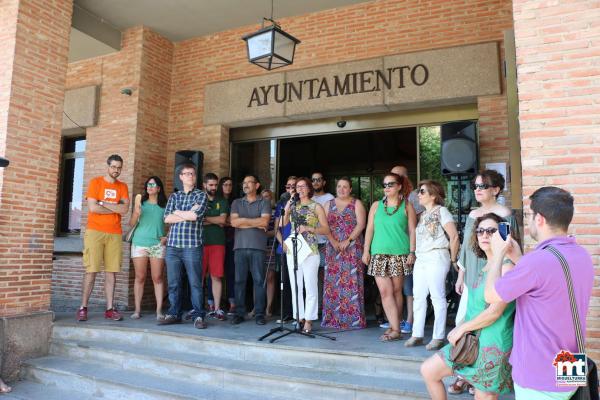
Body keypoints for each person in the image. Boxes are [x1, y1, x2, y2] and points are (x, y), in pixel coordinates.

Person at [484, 187, 593, 400]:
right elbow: (547, 284)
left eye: (529, 215)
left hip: (539, 375)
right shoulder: (581, 255)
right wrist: (519, 259)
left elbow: (491, 295)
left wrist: (497, 255)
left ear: (540, 219)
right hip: (570, 364)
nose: (529, 220)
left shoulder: (536, 262)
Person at [421, 213, 516, 400]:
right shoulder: (486, 266)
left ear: (503, 236)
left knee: (484, 395)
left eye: (491, 231)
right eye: (480, 231)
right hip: (471, 339)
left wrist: (461, 328)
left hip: (492, 343)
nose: (484, 235)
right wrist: (462, 327)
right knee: (429, 370)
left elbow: (494, 312)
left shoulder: (507, 267)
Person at [449, 169, 519, 395]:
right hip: (472, 277)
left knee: (488, 324)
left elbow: (508, 246)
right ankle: (464, 374)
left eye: (482, 186)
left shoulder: (505, 214)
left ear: (496, 190)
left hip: (495, 275)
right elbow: (467, 248)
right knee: (465, 322)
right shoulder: (472, 215)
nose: (477, 190)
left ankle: (478, 379)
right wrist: (461, 274)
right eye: (475, 186)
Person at [405, 180, 459, 350]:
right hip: (421, 258)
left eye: (422, 191)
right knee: (419, 296)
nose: (418, 194)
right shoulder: (422, 216)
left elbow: (454, 237)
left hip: (437, 255)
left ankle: (438, 336)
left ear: (433, 195)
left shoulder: (442, 211)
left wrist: (453, 259)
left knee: (437, 296)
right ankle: (417, 334)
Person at [362, 173, 416, 341]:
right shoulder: (376, 206)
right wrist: (366, 251)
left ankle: (395, 326)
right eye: (384, 184)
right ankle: (395, 328)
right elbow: (369, 229)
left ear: (399, 186)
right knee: (385, 292)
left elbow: (413, 230)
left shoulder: (407, 206)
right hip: (378, 253)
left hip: (400, 253)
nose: (386, 187)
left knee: (397, 291)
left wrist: (412, 252)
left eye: (391, 184)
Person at [77, 154, 129, 322]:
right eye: (113, 167)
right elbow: (93, 208)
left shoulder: (123, 186)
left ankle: (109, 309)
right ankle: (83, 307)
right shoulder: (96, 182)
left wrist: (103, 203)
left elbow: (124, 210)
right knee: (91, 270)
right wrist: (115, 207)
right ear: (107, 166)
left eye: (119, 167)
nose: (116, 170)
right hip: (94, 231)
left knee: (111, 272)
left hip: (114, 233)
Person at [160, 163, 208, 329]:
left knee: (195, 282)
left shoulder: (201, 195)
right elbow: (166, 218)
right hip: (173, 246)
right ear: (180, 177)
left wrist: (178, 212)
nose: (190, 176)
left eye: (193, 174)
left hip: (192, 246)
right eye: (187, 174)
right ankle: (174, 313)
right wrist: (185, 214)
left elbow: (195, 216)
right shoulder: (174, 197)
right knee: (173, 282)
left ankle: (198, 315)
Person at [283, 177, 331, 333]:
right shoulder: (293, 205)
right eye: (298, 186)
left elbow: (325, 229)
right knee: (295, 286)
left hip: (310, 250)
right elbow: (283, 223)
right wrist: (288, 206)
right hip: (294, 249)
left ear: (309, 189)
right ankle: (299, 318)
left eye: (303, 186)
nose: (300, 189)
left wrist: (309, 229)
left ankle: (309, 320)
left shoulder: (316, 206)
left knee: (310, 286)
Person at [322, 177, 367, 329]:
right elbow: (324, 225)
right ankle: (332, 320)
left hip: (352, 247)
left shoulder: (357, 203)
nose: (342, 189)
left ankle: (353, 320)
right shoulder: (329, 204)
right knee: (332, 283)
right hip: (333, 247)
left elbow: (361, 225)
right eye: (339, 186)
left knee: (351, 282)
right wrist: (334, 242)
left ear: (350, 189)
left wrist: (348, 240)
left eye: (345, 187)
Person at [230, 174, 271, 325]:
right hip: (240, 247)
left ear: (257, 185)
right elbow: (233, 222)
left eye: (249, 182)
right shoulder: (236, 202)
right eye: (244, 182)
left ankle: (259, 313)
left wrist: (244, 221)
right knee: (239, 281)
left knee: (259, 281)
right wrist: (256, 222)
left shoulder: (264, 202)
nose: (245, 185)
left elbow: (265, 221)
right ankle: (239, 313)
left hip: (258, 247)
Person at [390, 164, 424, 335]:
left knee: (409, 287)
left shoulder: (414, 197)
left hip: (410, 248)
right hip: (394, 248)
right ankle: (397, 320)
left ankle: (410, 320)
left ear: (405, 179)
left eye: (398, 176)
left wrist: (413, 249)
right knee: (396, 287)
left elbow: (418, 223)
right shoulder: (389, 197)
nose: (393, 179)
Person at [129, 176, 167, 321]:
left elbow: (172, 223)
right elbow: (131, 224)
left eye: (153, 184)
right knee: (140, 277)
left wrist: (167, 236)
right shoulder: (141, 204)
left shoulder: (165, 205)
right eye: (148, 184)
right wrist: (136, 213)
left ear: (158, 188)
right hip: (139, 243)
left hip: (158, 244)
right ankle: (137, 310)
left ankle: (159, 311)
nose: (149, 186)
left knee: (157, 277)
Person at [202, 173, 229, 321]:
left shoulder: (222, 201)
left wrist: (205, 219)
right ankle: (199, 308)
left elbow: (223, 220)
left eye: (215, 185)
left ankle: (217, 309)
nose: (213, 187)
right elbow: (197, 220)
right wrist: (215, 220)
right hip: (200, 242)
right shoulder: (199, 200)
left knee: (216, 276)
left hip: (218, 242)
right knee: (198, 277)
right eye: (210, 185)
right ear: (204, 185)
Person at [273, 176, 297, 323]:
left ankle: (299, 315)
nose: (291, 189)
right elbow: (276, 228)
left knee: (299, 283)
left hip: (300, 248)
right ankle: (287, 313)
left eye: (294, 186)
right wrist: (283, 244)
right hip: (284, 249)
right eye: (288, 187)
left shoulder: (302, 203)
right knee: (285, 283)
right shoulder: (281, 204)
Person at [311, 171, 335, 313]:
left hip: (325, 242)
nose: (315, 183)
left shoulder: (330, 198)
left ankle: (327, 308)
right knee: (313, 277)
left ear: (324, 182)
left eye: (318, 180)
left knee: (326, 276)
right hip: (311, 243)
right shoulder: (308, 198)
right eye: (313, 180)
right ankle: (317, 308)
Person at [217, 176, 236, 315]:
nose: (227, 187)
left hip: (233, 240)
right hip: (217, 239)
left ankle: (232, 302)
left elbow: (235, 221)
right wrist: (223, 220)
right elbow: (219, 220)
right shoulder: (216, 200)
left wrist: (223, 220)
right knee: (215, 272)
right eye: (225, 185)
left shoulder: (236, 201)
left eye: (230, 184)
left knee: (231, 271)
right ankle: (213, 303)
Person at [262, 189, 277, 316]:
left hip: (270, 245)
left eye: (268, 197)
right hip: (258, 246)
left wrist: (265, 234)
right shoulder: (257, 211)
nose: (266, 199)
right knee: (258, 277)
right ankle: (257, 307)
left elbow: (277, 230)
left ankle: (269, 307)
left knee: (270, 277)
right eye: (263, 197)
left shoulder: (274, 212)